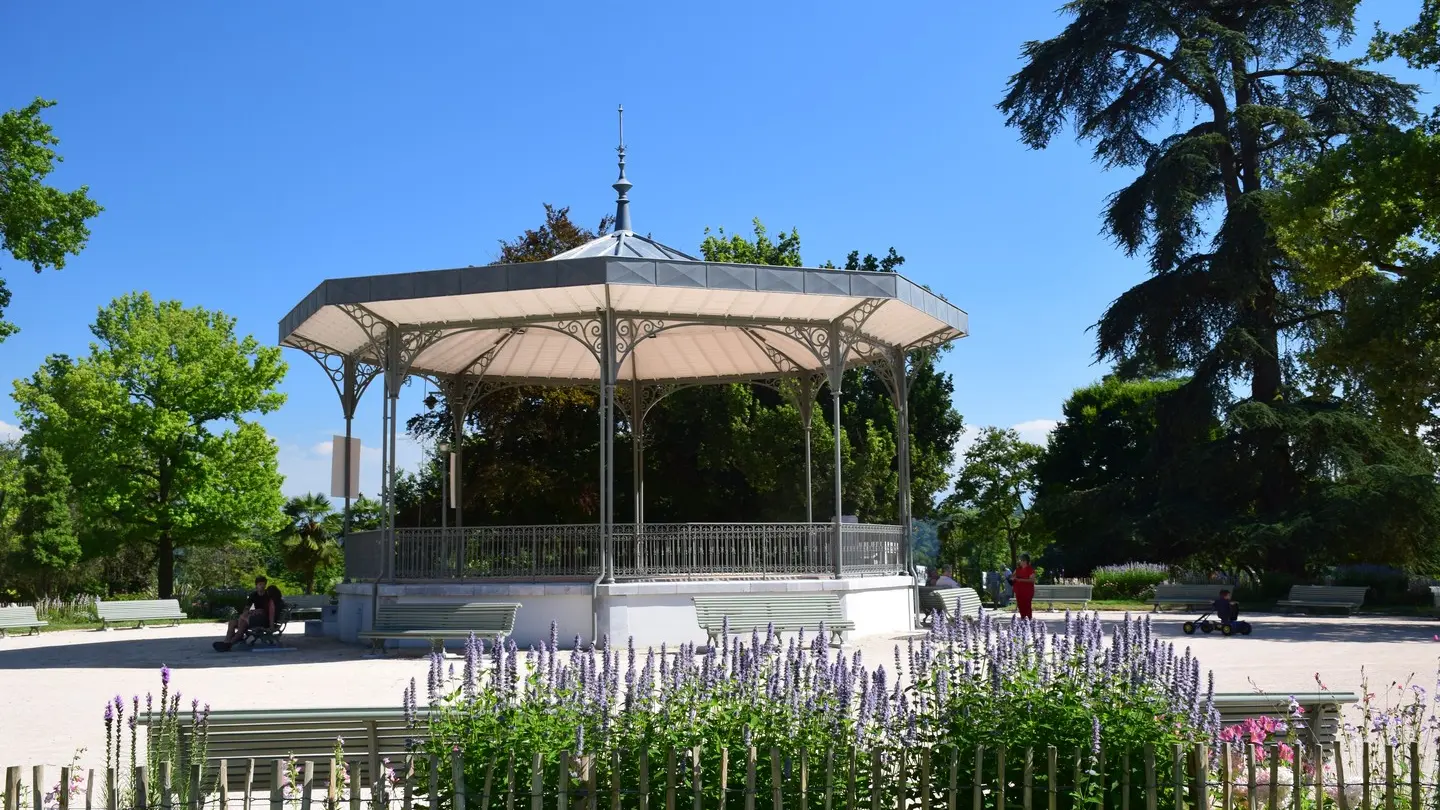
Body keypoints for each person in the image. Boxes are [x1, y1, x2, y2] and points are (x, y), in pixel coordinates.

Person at [213, 576, 281, 652]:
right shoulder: (253, 595)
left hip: (261, 619)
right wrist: (248, 612)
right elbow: (246, 608)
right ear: (256, 585)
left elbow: (270, 612)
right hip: (254, 616)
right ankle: (226, 641)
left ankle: (231, 642)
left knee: (243, 621)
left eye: (263, 584)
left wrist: (259, 612)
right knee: (232, 622)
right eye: (260, 584)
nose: (262, 586)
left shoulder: (268, 596)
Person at [1012, 554, 1037, 619]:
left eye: (1020, 560)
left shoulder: (1030, 569)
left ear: (1025, 561)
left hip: (1027, 591)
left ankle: (1028, 620)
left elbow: (1032, 580)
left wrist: (1021, 580)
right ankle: (1023, 619)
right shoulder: (1017, 569)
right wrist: (1013, 578)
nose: (1019, 561)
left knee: (1027, 605)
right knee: (1020, 606)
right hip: (1019, 591)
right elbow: (1012, 577)